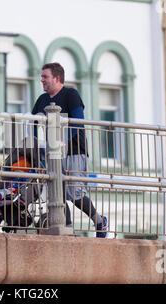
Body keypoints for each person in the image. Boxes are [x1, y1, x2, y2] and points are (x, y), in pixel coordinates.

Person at [31, 62, 108, 238]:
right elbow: (32, 122)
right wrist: (33, 143)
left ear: (57, 78)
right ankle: (69, 230)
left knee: (75, 193)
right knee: (57, 195)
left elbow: (78, 122)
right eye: (41, 76)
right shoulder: (42, 100)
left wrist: (62, 141)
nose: (41, 80)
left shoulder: (71, 94)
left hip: (74, 152)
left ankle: (99, 221)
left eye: (45, 77)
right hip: (52, 155)